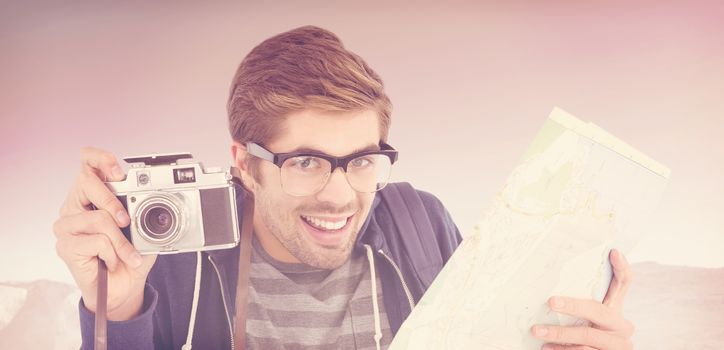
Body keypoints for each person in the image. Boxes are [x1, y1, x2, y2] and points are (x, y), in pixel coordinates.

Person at [53, 26, 635, 350]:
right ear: (243, 162)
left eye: (361, 160)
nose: (341, 195)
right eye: (306, 161)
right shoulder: (174, 261)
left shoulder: (421, 224)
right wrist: (118, 305)